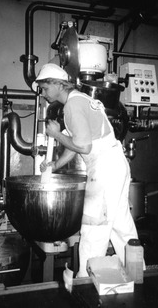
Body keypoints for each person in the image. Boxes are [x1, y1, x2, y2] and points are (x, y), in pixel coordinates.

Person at [35, 63, 139, 277]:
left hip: (104, 168)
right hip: (113, 164)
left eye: (45, 88)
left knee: (94, 226)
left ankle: (85, 283)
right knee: (120, 225)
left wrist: (56, 135)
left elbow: (83, 147)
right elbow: (79, 143)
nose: (43, 93)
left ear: (57, 84)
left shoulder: (73, 105)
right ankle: (137, 274)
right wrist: (55, 165)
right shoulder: (80, 100)